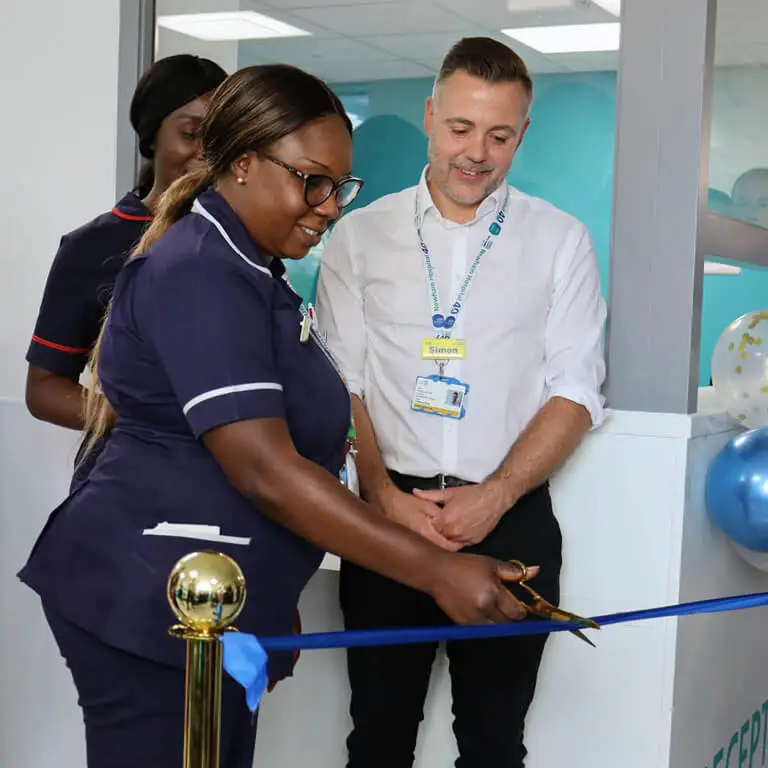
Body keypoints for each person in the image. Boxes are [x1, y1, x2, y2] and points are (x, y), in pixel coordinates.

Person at [18, 63, 535, 768]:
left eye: (340, 187)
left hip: (214, 600)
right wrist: (437, 571)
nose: (329, 207)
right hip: (147, 600)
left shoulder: (252, 270)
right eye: (312, 181)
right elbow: (263, 468)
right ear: (242, 164)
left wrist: (267, 578)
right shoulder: (199, 271)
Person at [316, 37, 607, 768]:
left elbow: (575, 389)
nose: (477, 153)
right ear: (430, 116)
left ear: (523, 134)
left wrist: (496, 495)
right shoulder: (358, 237)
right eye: (460, 128)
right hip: (388, 522)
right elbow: (342, 383)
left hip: (511, 522)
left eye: (499, 135)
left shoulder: (560, 240)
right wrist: (383, 494)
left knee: (494, 744)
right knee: (377, 740)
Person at [25, 54, 227, 489]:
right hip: (127, 481)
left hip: (228, 478)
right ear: (152, 136)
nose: (206, 154)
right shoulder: (94, 246)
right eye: (191, 134)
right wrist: (144, 414)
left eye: (220, 138)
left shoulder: (241, 244)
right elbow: (43, 389)